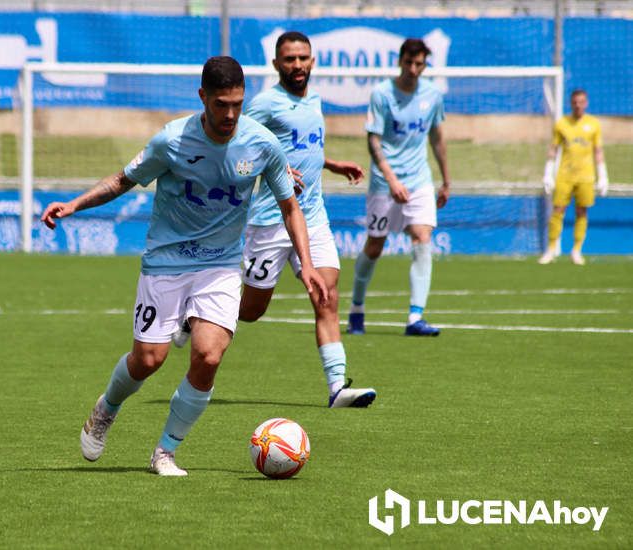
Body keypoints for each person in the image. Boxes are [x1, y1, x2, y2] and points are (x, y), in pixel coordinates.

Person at [40, 56, 328, 476]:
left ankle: (165, 451)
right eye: (221, 104)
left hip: (223, 265)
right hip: (166, 262)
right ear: (203, 98)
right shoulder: (171, 141)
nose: (230, 114)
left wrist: (310, 264)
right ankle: (108, 406)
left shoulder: (263, 143)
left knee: (209, 357)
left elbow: (290, 207)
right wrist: (75, 204)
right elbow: (122, 180)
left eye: (237, 104)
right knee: (148, 360)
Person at [234, 31, 376, 408]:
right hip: (271, 221)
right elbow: (237, 147)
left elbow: (303, 145)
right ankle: (194, 315)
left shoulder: (314, 99)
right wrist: (272, 168)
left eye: (303, 58)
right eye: (289, 59)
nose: (297, 65)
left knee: (326, 297)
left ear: (312, 61)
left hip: (312, 217)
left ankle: (337, 388)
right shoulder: (265, 104)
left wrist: (331, 163)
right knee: (252, 311)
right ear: (276, 64)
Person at [347, 38, 450, 337]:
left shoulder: (432, 95)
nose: (414, 69)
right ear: (400, 61)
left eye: (420, 64)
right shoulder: (381, 94)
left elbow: (437, 138)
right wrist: (391, 180)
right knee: (375, 245)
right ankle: (356, 308)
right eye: (409, 63)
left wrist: (446, 180)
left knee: (422, 236)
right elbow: (373, 141)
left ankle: (415, 317)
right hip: (384, 182)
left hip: (419, 180)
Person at [539, 89, 608, 266]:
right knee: (558, 210)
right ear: (571, 103)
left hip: (586, 177)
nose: (578, 105)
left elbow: (598, 151)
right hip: (565, 175)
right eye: (575, 102)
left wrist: (603, 176)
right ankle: (551, 249)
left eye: (581, 102)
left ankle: (576, 250)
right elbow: (553, 149)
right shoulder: (562, 123)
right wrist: (548, 174)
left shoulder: (593, 124)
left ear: (586, 103)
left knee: (582, 211)